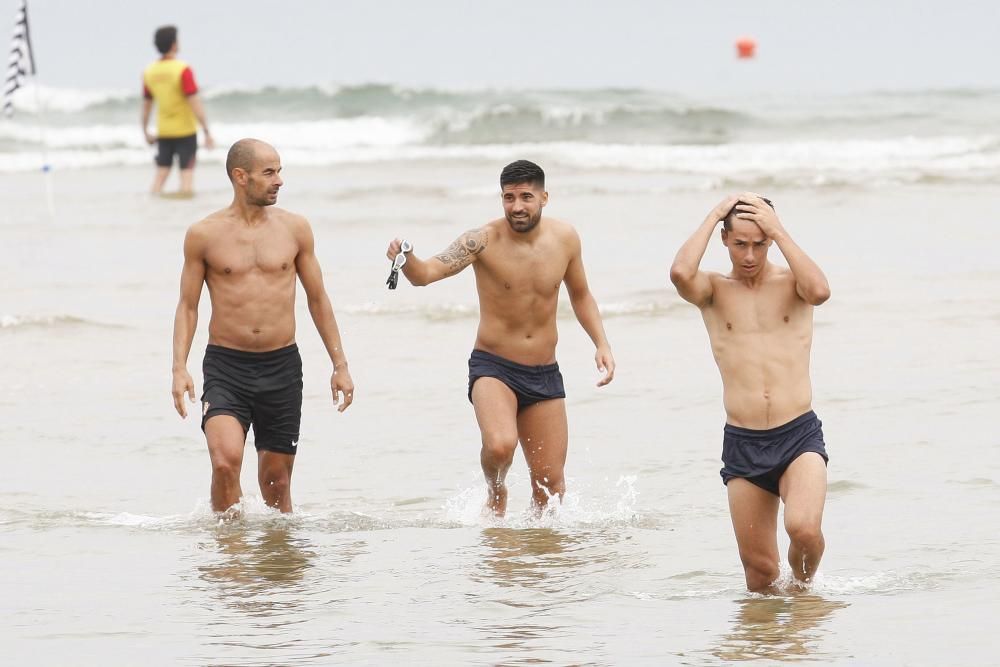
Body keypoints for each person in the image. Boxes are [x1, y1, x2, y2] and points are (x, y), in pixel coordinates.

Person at [385, 160, 615, 517]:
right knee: (500, 446)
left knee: (551, 488)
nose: (517, 206)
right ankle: (496, 490)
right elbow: (427, 273)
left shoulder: (566, 239)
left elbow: (581, 294)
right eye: (509, 197)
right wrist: (407, 259)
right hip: (494, 366)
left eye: (526, 196)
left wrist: (601, 343)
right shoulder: (482, 240)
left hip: (544, 372)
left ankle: (532, 564)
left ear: (544, 197)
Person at [171, 138, 354, 515]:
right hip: (226, 367)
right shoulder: (204, 234)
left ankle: (276, 564)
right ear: (241, 176)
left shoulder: (295, 229)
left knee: (277, 483)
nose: (279, 180)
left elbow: (318, 298)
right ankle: (230, 558)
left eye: (280, 170)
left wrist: (340, 365)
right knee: (225, 463)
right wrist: (179, 367)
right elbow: (188, 306)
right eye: (269, 172)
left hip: (281, 367)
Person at [669, 193, 832, 593]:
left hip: (797, 435)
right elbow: (679, 273)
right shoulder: (712, 290)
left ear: (772, 241)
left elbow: (821, 290)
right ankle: (765, 647)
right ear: (724, 239)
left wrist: (778, 228)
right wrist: (712, 215)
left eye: (760, 244)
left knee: (804, 530)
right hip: (743, 441)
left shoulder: (793, 283)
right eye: (740, 243)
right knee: (759, 574)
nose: (749, 254)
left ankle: (803, 593)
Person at [141, 25, 214, 197]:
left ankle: (151, 210)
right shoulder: (182, 69)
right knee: (186, 178)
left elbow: (146, 106)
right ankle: (182, 217)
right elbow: (194, 102)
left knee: (160, 176)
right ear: (174, 44)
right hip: (185, 131)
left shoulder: (149, 71)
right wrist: (206, 131)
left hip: (164, 131)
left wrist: (145, 131)